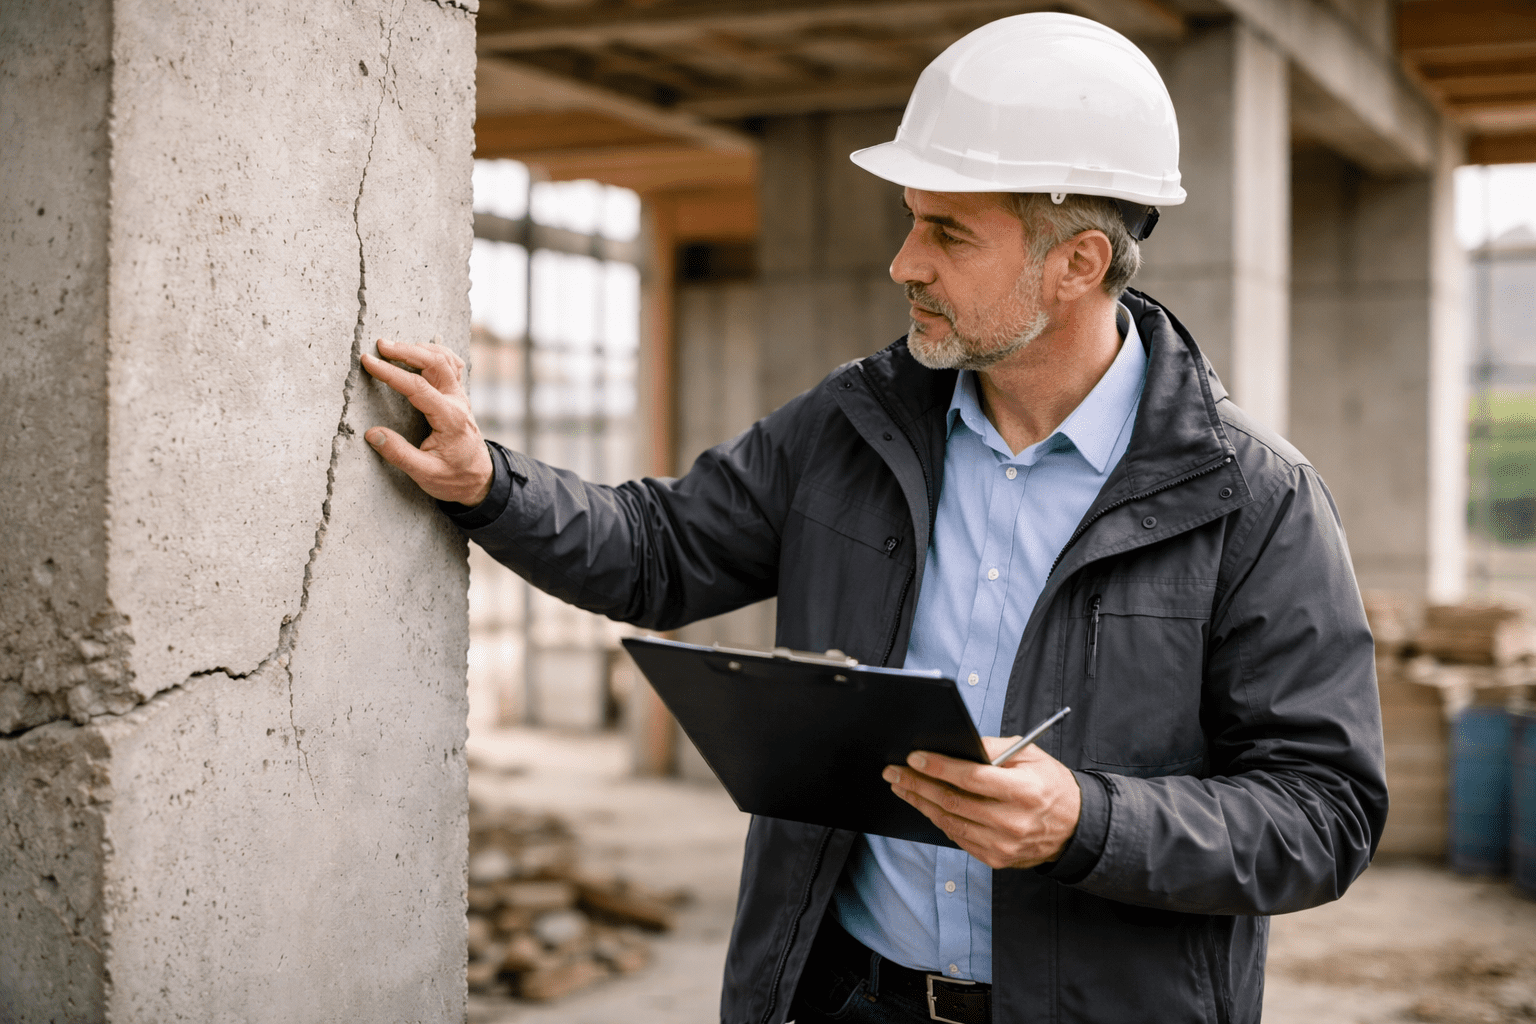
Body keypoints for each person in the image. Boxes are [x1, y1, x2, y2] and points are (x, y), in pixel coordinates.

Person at [360, 13, 1387, 1024]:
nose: (904, 261)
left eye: (947, 231)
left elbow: (1323, 812)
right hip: (846, 996)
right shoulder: (855, 424)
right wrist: (487, 480)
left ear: (1077, 262)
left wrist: (1088, 819)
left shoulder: (1252, 499)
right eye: (911, 216)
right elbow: (661, 551)